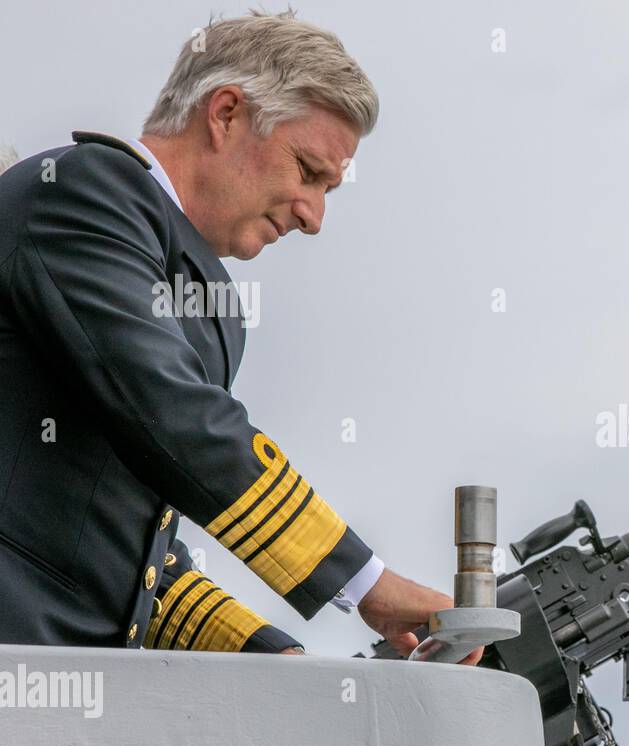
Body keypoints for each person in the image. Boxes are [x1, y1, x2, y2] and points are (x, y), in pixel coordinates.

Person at [0, 10, 476, 663]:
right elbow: (173, 414)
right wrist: (365, 582)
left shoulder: (194, 285)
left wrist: (278, 664)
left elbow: (138, 565)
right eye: (308, 171)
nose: (313, 216)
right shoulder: (83, 193)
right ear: (225, 114)